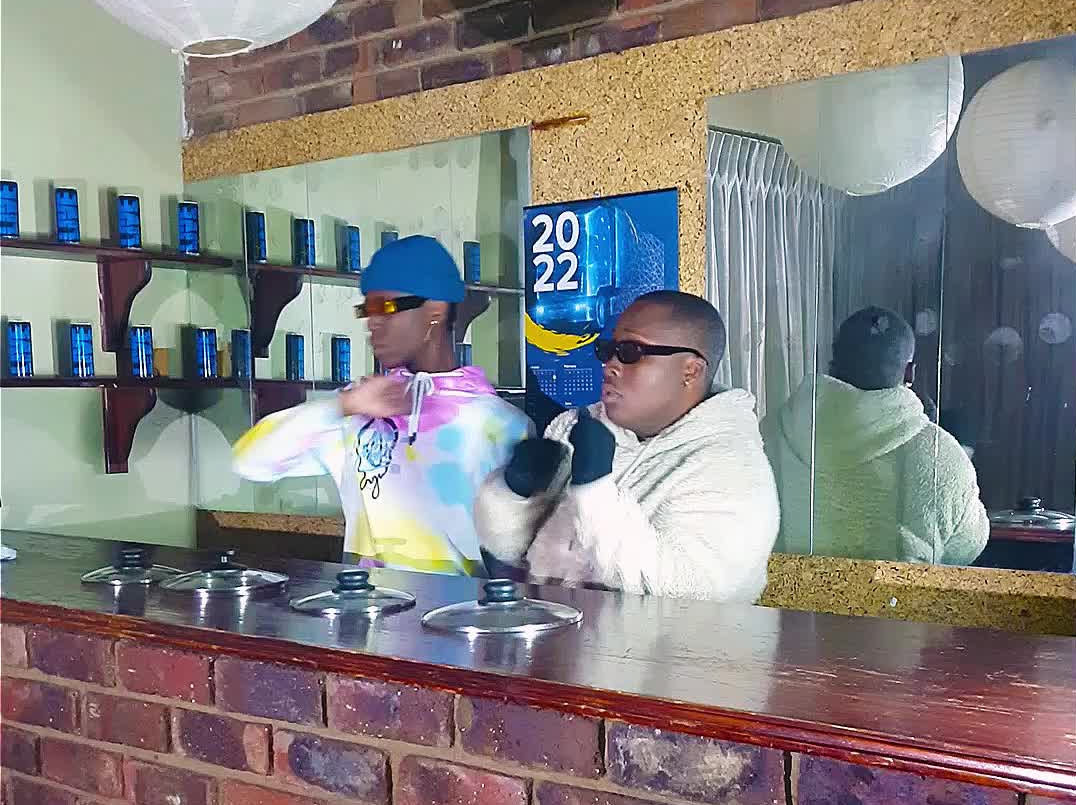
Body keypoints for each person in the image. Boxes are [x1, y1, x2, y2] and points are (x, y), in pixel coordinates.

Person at [233, 236, 529, 574]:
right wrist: (343, 405)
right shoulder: (358, 412)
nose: (372, 323)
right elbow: (250, 461)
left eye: (385, 308)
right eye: (367, 311)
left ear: (435, 310)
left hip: (460, 607)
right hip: (365, 605)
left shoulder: (499, 424)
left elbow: (520, 551)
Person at [474, 291, 780, 601]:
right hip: (550, 627)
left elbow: (694, 595)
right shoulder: (575, 426)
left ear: (691, 370)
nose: (610, 366)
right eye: (608, 350)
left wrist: (595, 491)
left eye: (631, 352)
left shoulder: (732, 469)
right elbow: (516, 557)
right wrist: (513, 496)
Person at [761, 306, 990, 564]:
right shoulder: (942, 455)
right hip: (893, 592)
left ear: (832, 363)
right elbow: (968, 546)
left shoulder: (769, 434)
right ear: (910, 372)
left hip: (781, 591)